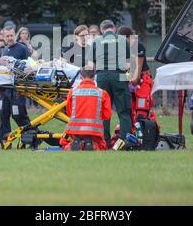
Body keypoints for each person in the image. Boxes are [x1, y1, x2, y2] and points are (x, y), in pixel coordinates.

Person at [90, 19, 132, 148]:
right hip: (119, 75)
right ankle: (124, 142)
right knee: (124, 111)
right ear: (113, 29)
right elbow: (128, 64)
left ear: (102, 30)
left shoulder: (96, 41)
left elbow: (91, 65)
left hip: (102, 76)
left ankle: (104, 143)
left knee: (103, 111)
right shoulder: (122, 40)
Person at [60, 66, 112, 151]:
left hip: (74, 131)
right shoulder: (102, 93)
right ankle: (91, 143)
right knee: (102, 146)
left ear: (81, 77)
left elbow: (69, 113)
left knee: (63, 142)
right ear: (94, 77)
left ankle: (76, 143)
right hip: (94, 132)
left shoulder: (72, 91)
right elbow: (107, 115)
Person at [0, 26, 31, 148]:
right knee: (3, 115)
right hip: (5, 89)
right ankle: (5, 141)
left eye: (11, 35)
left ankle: (31, 138)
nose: (9, 38)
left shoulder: (22, 49)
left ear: (14, 35)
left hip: (17, 90)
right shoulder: (4, 50)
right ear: (4, 37)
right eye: (7, 36)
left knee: (19, 115)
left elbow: (30, 66)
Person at [117, 26, 157, 125]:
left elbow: (138, 68)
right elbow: (126, 67)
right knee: (129, 108)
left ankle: (145, 133)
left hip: (142, 78)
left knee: (141, 109)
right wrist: (127, 80)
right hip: (131, 76)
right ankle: (130, 134)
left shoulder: (137, 45)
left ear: (128, 37)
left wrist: (133, 80)